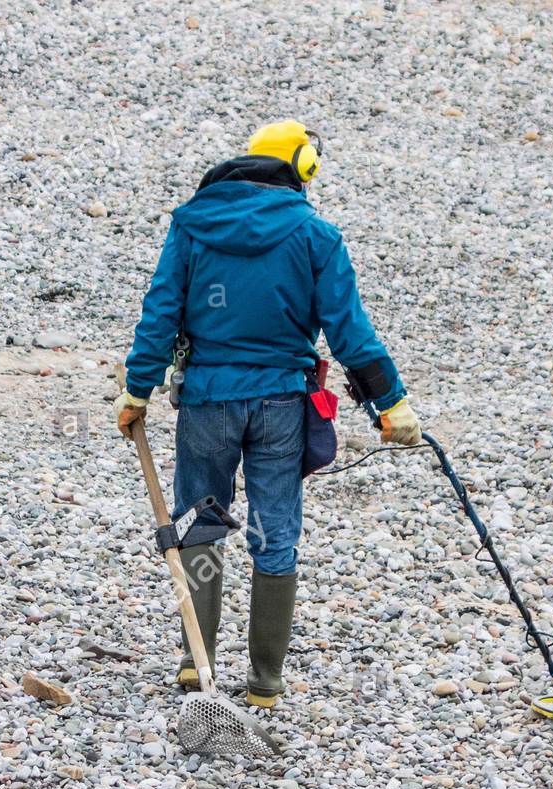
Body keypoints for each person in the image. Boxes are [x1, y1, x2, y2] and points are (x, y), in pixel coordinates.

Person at [114, 120, 420, 708]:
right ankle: (264, 683)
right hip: (282, 403)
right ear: (301, 167)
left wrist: (137, 390)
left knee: (199, 520)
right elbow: (349, 331)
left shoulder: (192, 224)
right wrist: (392, 403)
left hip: (206, 399)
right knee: (274, 532)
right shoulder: (316, 235)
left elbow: (160, 312)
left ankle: (193, 659)